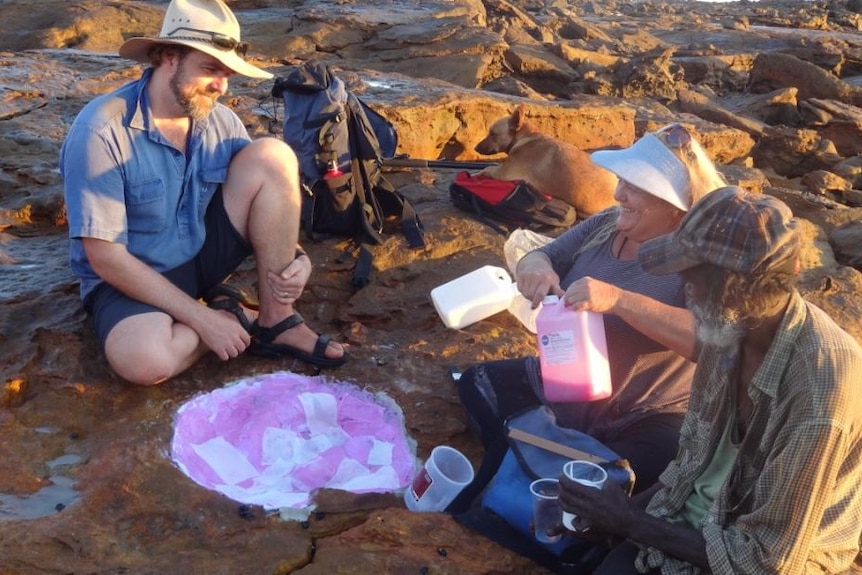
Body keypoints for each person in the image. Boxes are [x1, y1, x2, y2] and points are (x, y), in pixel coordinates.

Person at [560, 187, 862, 574]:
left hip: (779, 557)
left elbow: (769, 561)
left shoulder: (820, 393)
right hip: (705, 521)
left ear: (748, 286)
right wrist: (611, 516)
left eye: (697, 275)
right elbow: (691, 465)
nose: (684, 286)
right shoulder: (727, 329)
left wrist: (629, 523)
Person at [60, 0, 347, 386]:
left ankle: (278, 319)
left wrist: (298, 257)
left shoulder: (219, 120)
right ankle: (232, 316)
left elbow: (266, 199)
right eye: (210, 69)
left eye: (227, 73)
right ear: (167, 58)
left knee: (273, 155)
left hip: (199, 255)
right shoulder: (100, 131)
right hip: (131, 276)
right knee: (144, 362)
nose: (222, 86)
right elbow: (105, 257)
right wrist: (204, 320)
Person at [454, 123, 728, 503]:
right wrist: (535, 268)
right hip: (569, 385)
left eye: (635, 188)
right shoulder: (605, 225)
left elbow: (711, 341)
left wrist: (619, 300)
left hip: (647, 411)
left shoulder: (702, 261)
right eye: (621, 181)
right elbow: (544, 253)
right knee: (476, 383)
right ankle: (558, 453)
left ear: (676, 205)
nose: (619, 194)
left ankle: (542, 454)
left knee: (655, 464)